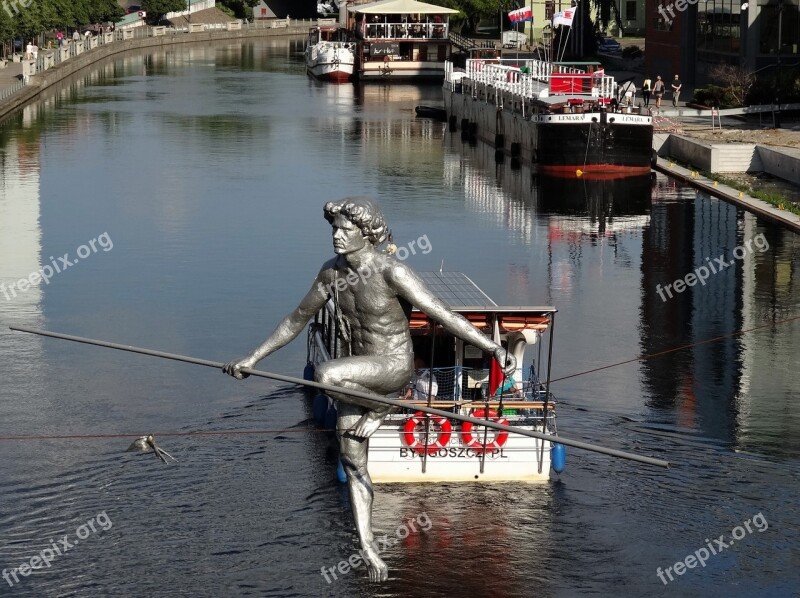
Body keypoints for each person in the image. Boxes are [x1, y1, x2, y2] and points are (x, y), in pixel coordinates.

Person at [223, 197, 514, 582]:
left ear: (367, 233)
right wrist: (253, 359)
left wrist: (492, 346)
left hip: (391, 370)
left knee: (324, 376)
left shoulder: (392, 271)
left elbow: (443, 314)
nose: (337, 236)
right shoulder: (331, 275)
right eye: (334, 229)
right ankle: (368, 547)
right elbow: (296, 319)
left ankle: (382, 409)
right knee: (352, 462)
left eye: (345, 230)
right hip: (358, 378)